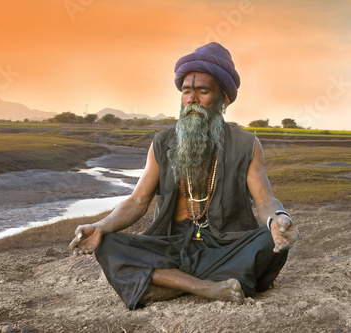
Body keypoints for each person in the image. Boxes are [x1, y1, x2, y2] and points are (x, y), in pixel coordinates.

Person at [69, 42, 300, 310]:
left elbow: (264, 200)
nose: (192, 99)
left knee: (268, 242)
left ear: (223, 99)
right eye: (186, 91)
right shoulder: (163, 142)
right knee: (107, 244)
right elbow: (137, 202)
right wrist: (100, 226)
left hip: (224, 244)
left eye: (202, 92)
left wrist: (277, 219)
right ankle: (206, 286)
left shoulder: (246, 144)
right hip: (172, 243)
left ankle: (163, 283)